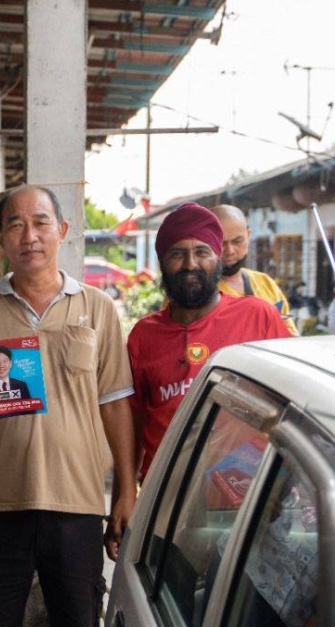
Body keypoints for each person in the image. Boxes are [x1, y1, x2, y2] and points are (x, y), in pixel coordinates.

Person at [0, 185, 137, 627]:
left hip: (77, 502)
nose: (29, 236)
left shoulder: (97, 308)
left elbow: (115, 404)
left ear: (63, 230)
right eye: (15, 225)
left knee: (78, 618)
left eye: (40, 223)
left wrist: (126, 491)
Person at [127, 203, 293, 479]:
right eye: (177, 254)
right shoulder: (144, 335)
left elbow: (291, 403)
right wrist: (125, 492)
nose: (190, 264)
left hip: (243, 491)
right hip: (164, 491)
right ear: (162, 262)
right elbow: (131, 423)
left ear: (217, 258)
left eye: (202, 252)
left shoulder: (258, 317)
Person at [211, 204, 298, 335]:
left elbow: (289, 334)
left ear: (248, 235)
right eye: (221, 243)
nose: (230, 251)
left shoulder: (265, 283)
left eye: (237, 241)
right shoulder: (200, 292)